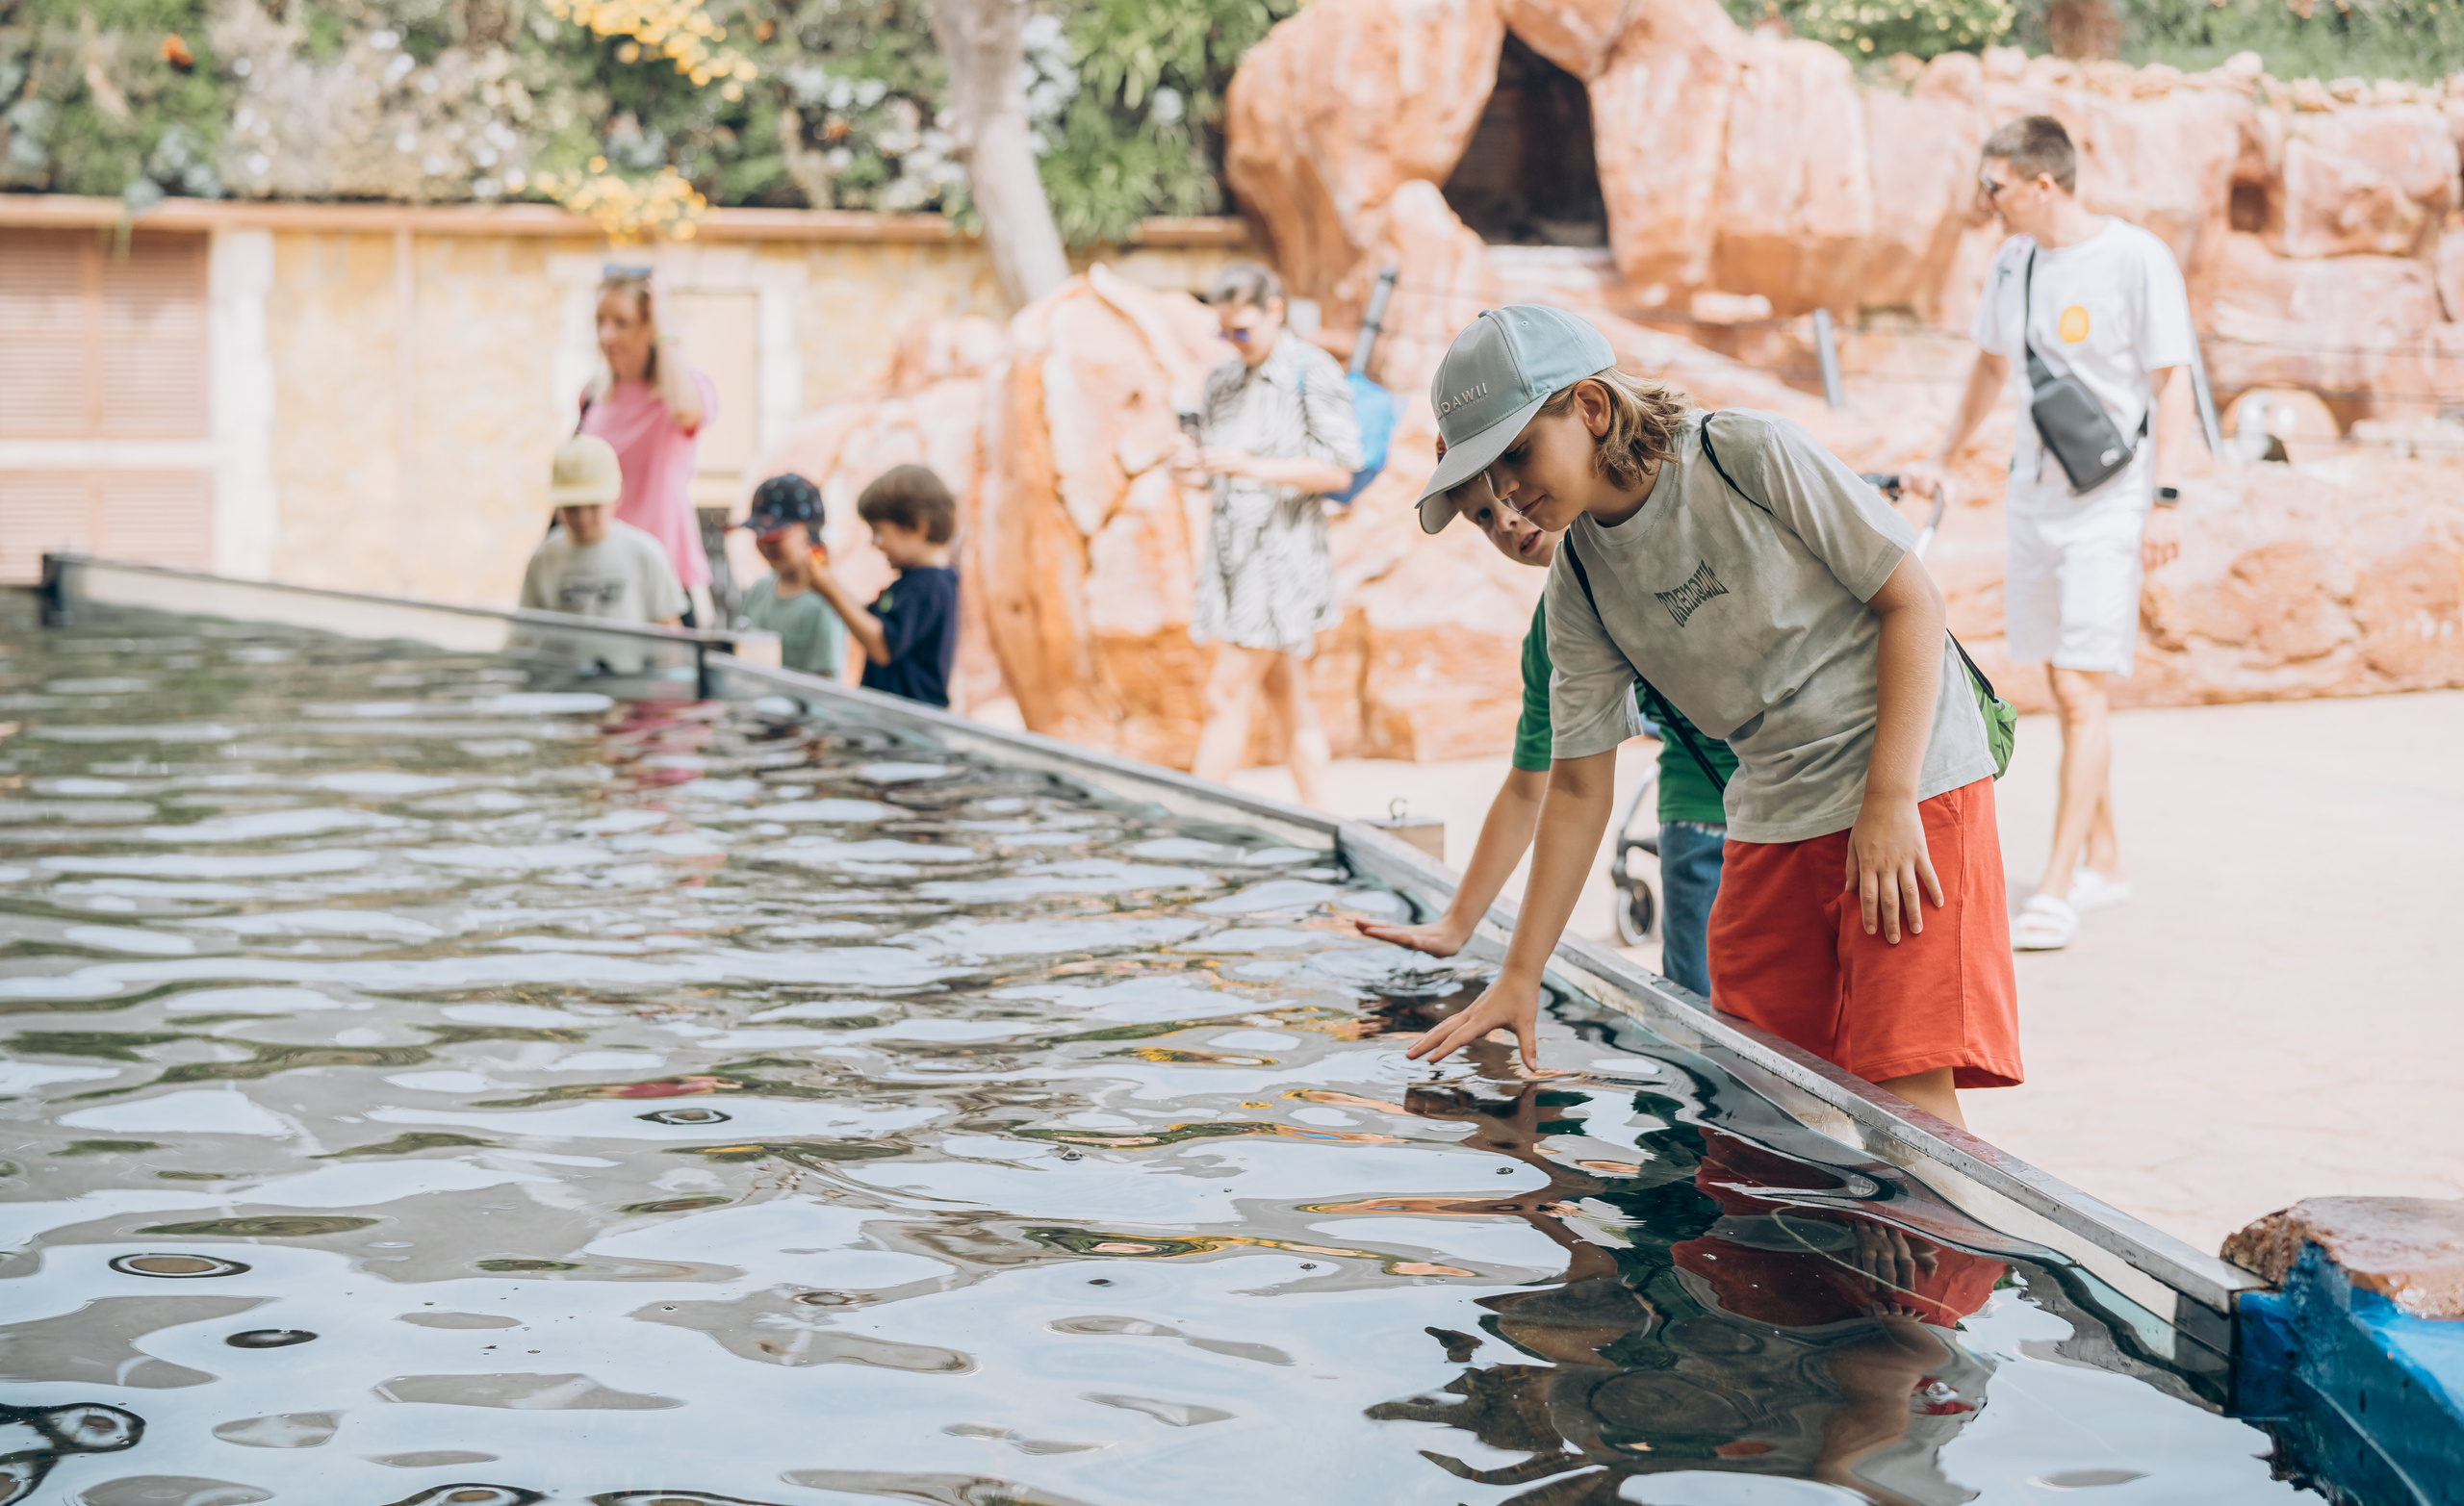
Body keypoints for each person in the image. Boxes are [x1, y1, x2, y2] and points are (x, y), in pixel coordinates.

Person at [1401, 306, 2016, 1130]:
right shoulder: (1577, 587)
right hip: (1772, 807)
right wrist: (1520, 972)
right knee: (1763, 1095)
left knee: (1905, 1099)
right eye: (1489, 476)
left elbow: (1913, 603)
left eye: (1516, 451)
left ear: (1590, 407)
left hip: (1909, 778)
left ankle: (1943, 1256)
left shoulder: (1745, 452)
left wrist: (1889, 801)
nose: (1508, 491)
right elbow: (1579, 789)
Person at [1901, 115, 2195, 954]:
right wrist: (1940, 456)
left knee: (2079, 687)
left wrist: (2166, 500)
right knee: (2062, 684)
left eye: (1992, 186)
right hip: (2035, 500)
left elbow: (2171, 386)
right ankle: (2106, 856)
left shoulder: (2135, 258)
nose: (1981, 201)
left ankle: (2060, 883)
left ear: (2043, 184)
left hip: (2111, 499)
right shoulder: (2014, 262)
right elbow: (1991, 368)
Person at [1355, 471, 1737, 997]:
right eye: (1483, 517)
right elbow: (1529, 787)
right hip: (1700, 815)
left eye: (1511, 493)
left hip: (1815, 794)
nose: (1508, 520)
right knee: (1712, 1019)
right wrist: (1458, 925)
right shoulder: (1551, 637)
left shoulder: (1682, 532)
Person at [1181, 260, 1363, 809]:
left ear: (1275, 312)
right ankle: (1328, 819)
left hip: (1281, 562)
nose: (1234, 341)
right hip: (1232, 559)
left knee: (1224, 693)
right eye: (1225, 331)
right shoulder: (1221, 381)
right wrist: (1190, 464)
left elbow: (1339, 470)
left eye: (1243, 329)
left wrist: (1253, 466)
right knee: (1286, 696)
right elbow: (1209, 469)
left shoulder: (1313, 371)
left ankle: (1193, 831)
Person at [579, 267, 719, 625]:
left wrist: (667, 325)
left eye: (622, 323)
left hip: (666, 579)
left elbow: (687, 413)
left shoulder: (685, 392)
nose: (606, 335)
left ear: (650, 327)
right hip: (603, 580)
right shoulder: (593, 396)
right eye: (600, 322)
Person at [809, 463, 959, 708]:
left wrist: (830, 590)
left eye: (878, 531)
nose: (874, 543)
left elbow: (882, 646)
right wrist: (828, 582)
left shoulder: (930, 586)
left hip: (912, 728)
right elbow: (869, 620)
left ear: (916, 526)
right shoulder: (909, 583)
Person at [520, 434, 687, 628]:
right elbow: (524, 635)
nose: (583, 518)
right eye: (572, 507)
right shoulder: (544, 559)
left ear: (617, 496)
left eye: (593, 505)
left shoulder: (645, 554)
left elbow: (670, 635)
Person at [733, 472, 849, 680]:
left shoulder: (826, 603)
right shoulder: (758, 591)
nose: (767, 543)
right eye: (760, 533)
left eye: (776, 535)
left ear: (810, 534)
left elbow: (825, 683)